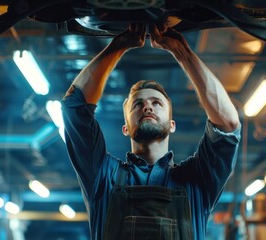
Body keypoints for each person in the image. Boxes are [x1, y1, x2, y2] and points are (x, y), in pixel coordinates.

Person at [62, 23, 241, 240]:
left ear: (172, 125)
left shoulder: (196, 179)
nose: (147, 107)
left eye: (157, 103)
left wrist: (181, 50)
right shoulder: (102, 174)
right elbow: (74, 107)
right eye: (137, 104)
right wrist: (118, 46)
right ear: (125, 128)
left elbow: (228, 124)